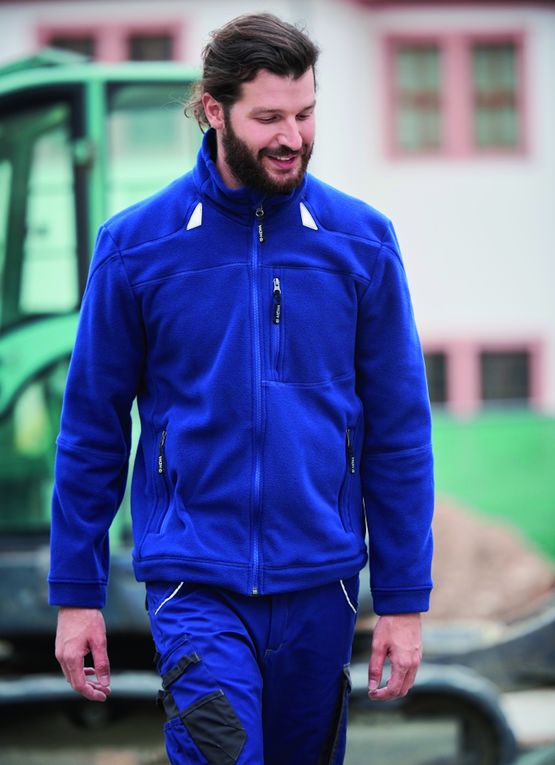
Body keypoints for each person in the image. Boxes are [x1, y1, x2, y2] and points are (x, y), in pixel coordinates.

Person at [50, 12, 434, 765]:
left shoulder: (361, 243)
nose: (292, 136)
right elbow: (92, 428)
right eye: (268, 118)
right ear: (215, 110)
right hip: (194, 582)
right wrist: (76, 592)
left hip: (320, 583)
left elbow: (399, 432)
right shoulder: (137, 247)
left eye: (304, 113)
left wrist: (403, 599)